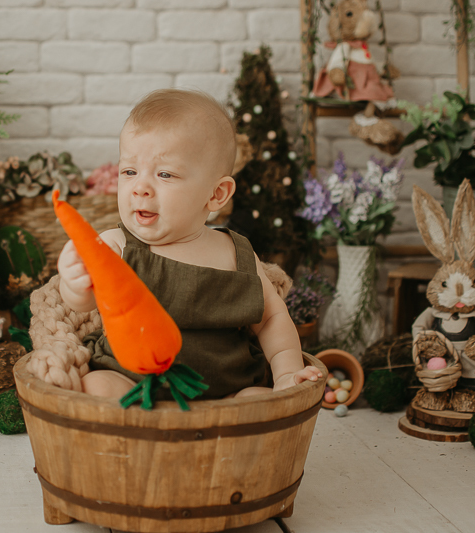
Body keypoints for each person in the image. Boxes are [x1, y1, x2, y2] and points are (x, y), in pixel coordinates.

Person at [57, 88, 322, 400]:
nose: (140, 187)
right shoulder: (116, 245)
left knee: (259, 401)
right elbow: (83, 303)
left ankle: (235, 421)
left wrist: (287, 374)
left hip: (226, 391)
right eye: (129, 171)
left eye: (165, 174)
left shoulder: (235, 253)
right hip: (135, 381)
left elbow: (273, 319)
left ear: (216, 195)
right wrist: (75, 284)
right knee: (96, 387)